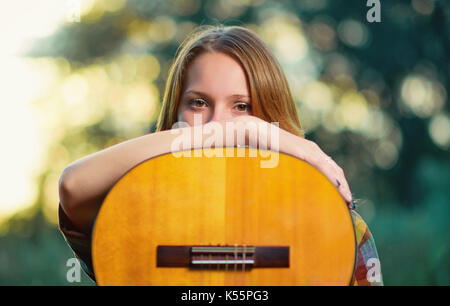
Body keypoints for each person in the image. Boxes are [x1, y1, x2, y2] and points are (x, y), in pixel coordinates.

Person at [58, 25, 383, 285]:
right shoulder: (136, 209)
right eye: (198, 103)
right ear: (176, 110)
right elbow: (74, 185)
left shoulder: (335, 223)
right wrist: (239, 130)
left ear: (270, 118)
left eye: (242, 107)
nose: (218, 125)